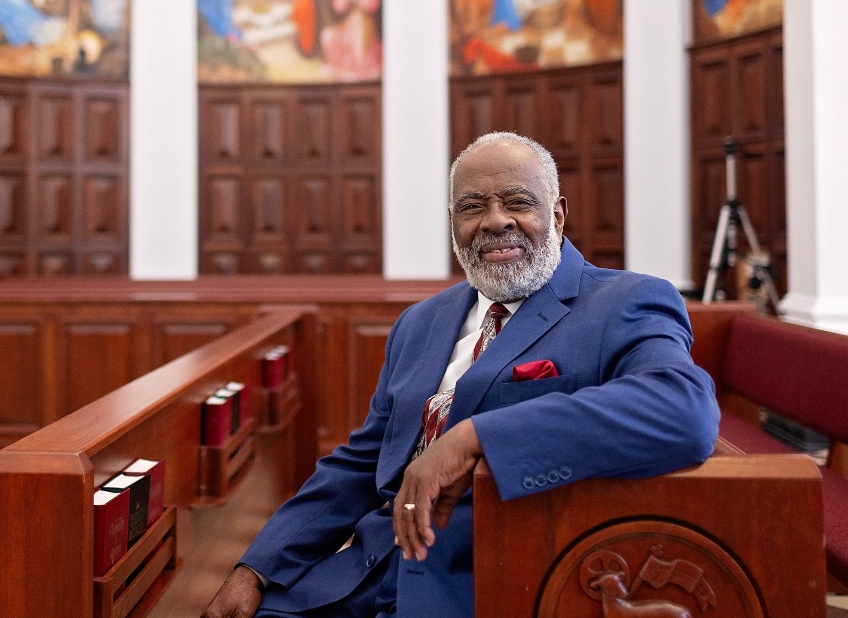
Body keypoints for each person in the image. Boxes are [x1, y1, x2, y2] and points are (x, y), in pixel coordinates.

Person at [204, 132, 720, 618]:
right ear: (454, 223)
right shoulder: (421, 322)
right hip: (365, 575)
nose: (495, 222)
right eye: (473, 207)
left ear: (558, 215)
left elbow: (684, 410)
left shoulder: (624, 301)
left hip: (485, 583)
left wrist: (475, 439)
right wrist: (257, 566)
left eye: (518, 202)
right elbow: (364, 461)